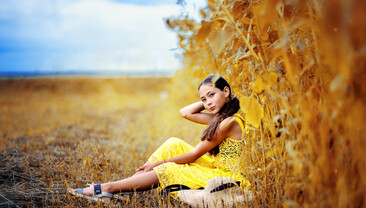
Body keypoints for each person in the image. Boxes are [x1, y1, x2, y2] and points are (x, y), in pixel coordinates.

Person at [69, 74, 250, 200]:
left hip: (226, 174)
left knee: (168, 168)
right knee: (173, 143)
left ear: (225, 91)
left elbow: (194, 155)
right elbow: (185, 112)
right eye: (204, 99)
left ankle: (108, 188)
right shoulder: (222, 118)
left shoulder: (228, 123)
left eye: (212, 95)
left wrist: (159, 163)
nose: (208, 102)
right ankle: (124, 191)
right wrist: (213, 97)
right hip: (215, 165)